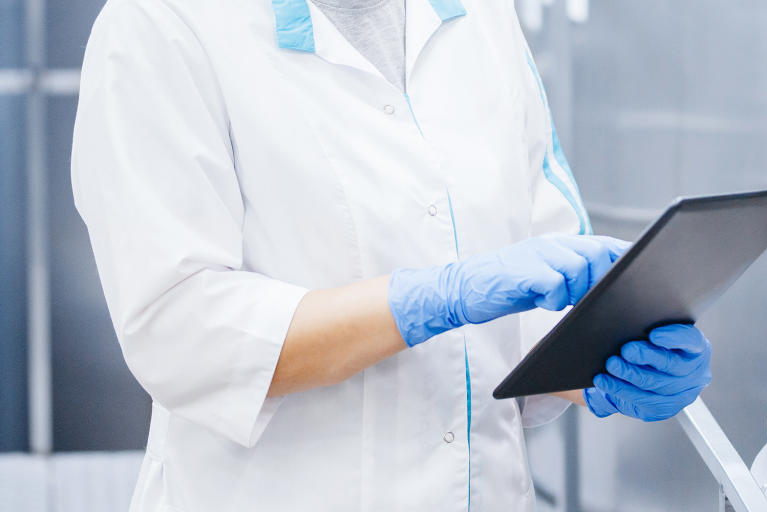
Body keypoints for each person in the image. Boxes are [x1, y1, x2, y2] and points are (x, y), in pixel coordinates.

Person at [70, 0, 712, 510]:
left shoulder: (484, 15)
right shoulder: (160, 24)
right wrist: (427, 300)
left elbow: (543, 274)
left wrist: (609, 359)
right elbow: (180, 330)